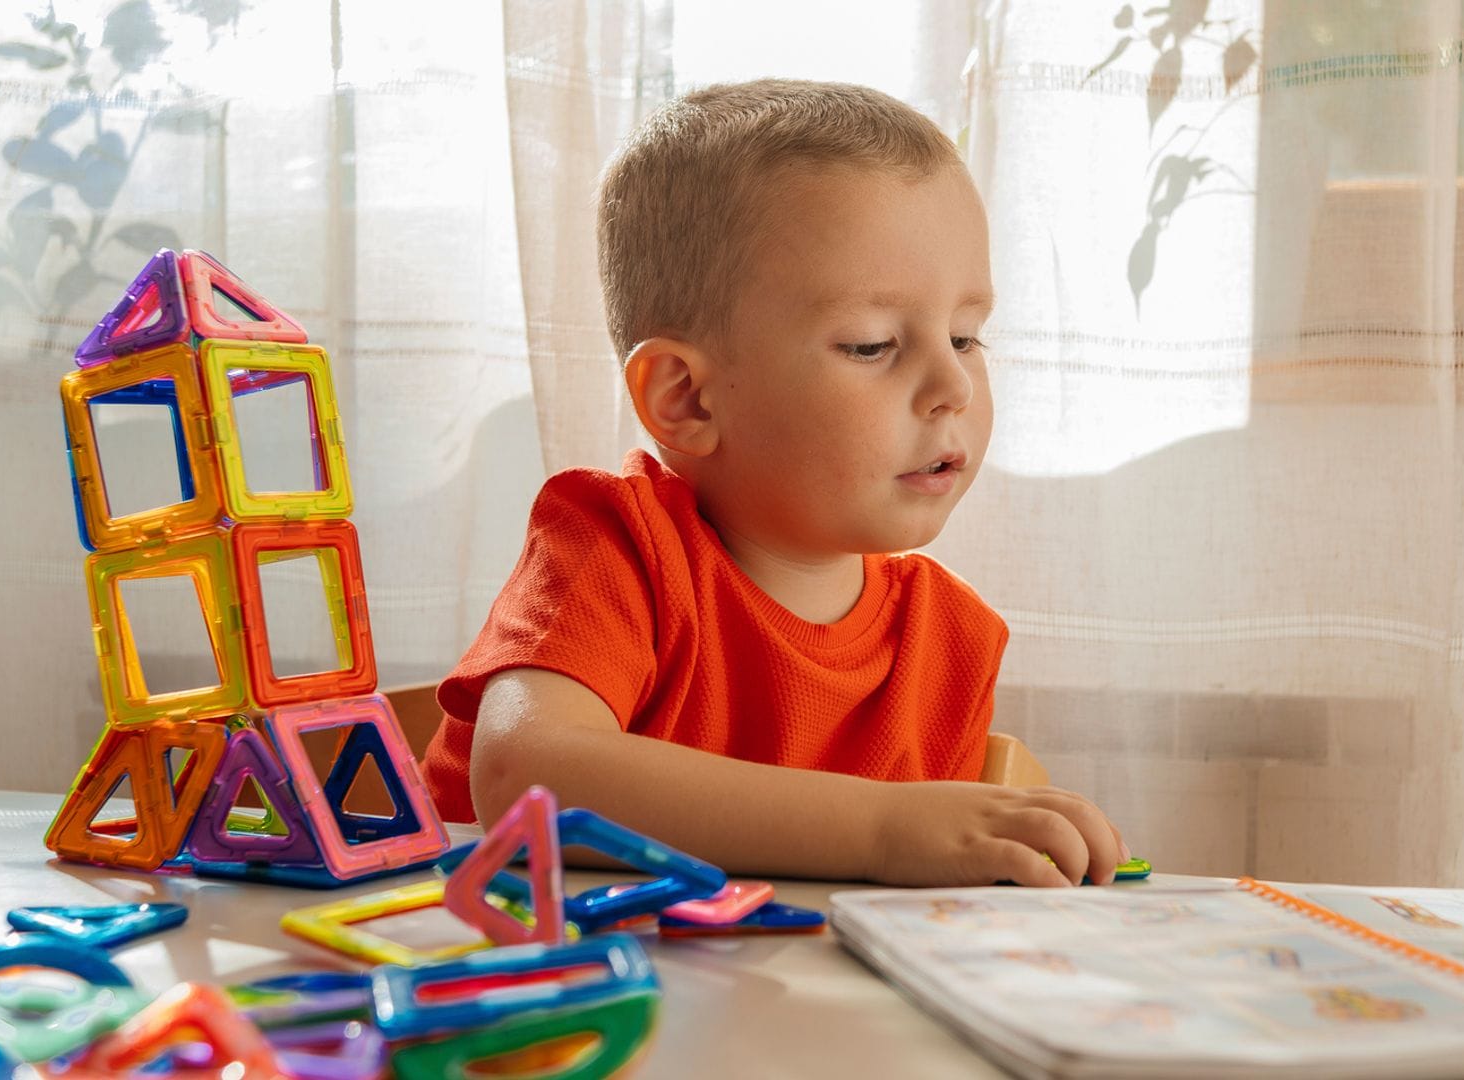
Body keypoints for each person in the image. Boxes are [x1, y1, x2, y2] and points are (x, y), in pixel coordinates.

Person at [420, 79, 1127, 887]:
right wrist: (882, 829)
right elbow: (526, 783)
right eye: (871, 345)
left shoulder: (954, 643)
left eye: (967, 337)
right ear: (685, 397)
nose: (953, 386)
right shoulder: (614, 543)